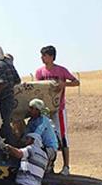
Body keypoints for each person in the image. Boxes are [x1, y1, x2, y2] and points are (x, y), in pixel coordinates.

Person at [34, 45, 79, 175]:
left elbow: (76, 82)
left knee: (62, 136)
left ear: (51, 57)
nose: (42, 58)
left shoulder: (61, 70)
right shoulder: (40, 72)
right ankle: (49, 165)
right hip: (45, 110)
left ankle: (66, 166)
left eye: (44, 55)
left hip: (59, 109)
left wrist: (64, 84)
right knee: (46, 136)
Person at [0, 46, 20, 144]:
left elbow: (2, 83)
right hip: (10, 98)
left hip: (3, 99)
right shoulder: (8, 64)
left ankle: (11, 145)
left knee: (3, 124)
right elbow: (17, 80)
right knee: (6, 123)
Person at [26, 99, 58, 166]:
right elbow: (26, 134)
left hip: (50, 149)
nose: (29, 110)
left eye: (31, 108)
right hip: (41, 147)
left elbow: (37, 134)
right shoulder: (31, 122)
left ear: (37, 110)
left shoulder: (44, 120)